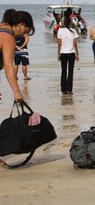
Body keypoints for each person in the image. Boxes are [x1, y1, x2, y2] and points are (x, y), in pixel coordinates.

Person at [0, 9, 34, 166]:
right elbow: (8, 66)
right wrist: (16, 91)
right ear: (20, 25)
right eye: (25, 31)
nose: (22, 35)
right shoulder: (8, 38)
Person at [57, 16, 79, 95]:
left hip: (63, 53)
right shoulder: (73, 31)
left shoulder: (60, 31)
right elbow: (75, 44)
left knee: (63, 71)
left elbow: (59, 44)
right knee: (70, 71)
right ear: (70, 23)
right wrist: (77, 54)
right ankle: (69, 89)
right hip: (71, 53)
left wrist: (58, 53)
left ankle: (63, 90)